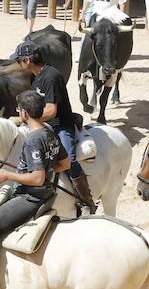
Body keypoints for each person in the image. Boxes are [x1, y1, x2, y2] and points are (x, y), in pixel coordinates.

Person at [0, 89, 68, 289]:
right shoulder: (49, 132)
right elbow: (65, 163)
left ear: (24, 113)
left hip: (31, 197)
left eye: (19, 109)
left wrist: (9, 176)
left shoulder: (33, 139)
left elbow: (37, 178)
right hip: (46, 193)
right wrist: (46, 166)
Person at [12, 41, 95, 209]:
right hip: (44, 126)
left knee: (69, 160)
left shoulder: (51, 77)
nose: (18, 64)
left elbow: (51, 111)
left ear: (28, 60)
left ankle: (86, 200)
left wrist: (23, 119)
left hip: (60, 126)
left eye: (19, 60)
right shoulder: (36, 79)